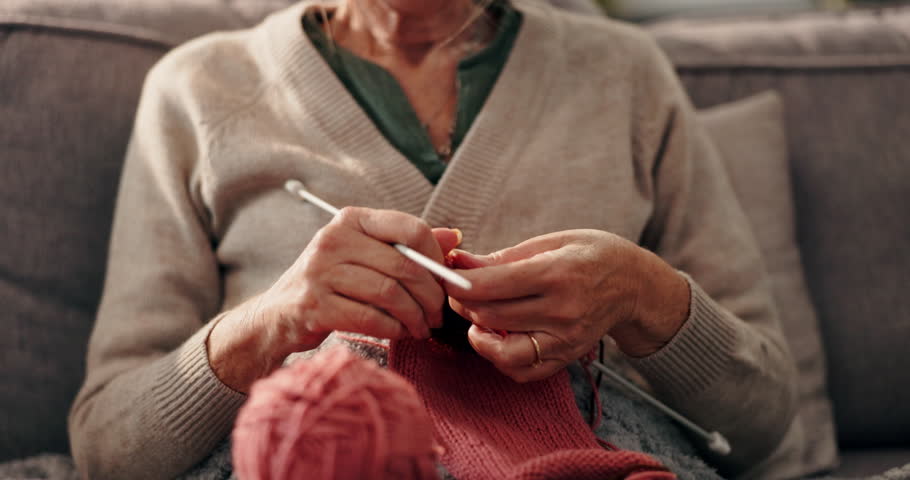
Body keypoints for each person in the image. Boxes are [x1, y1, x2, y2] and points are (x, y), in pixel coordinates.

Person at [68, 0, 799, 478]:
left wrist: (642, 298)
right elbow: (107, 446)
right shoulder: (199, 89)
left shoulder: (625, 75)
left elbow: (764, 423)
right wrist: (275, 322)